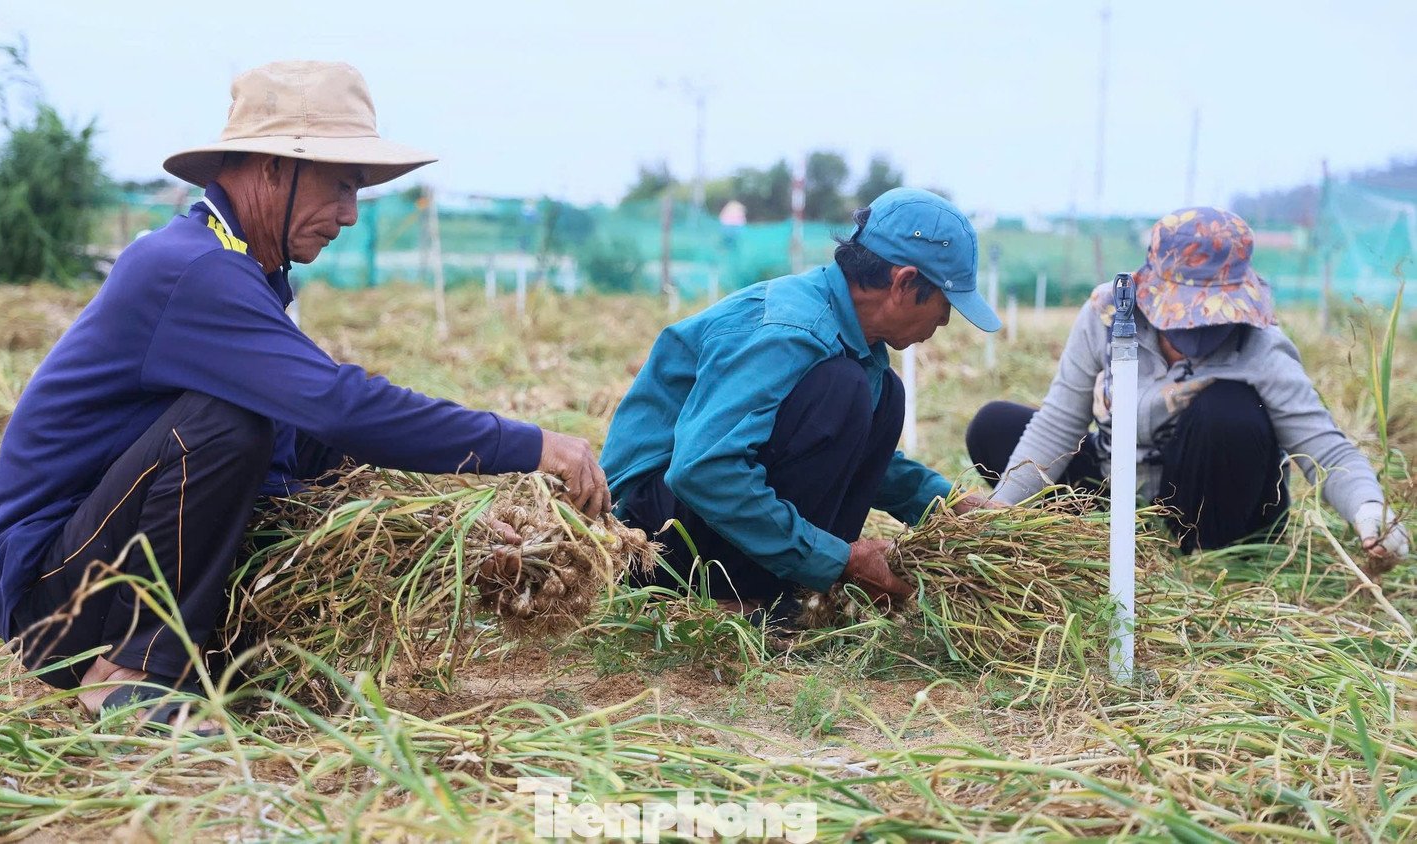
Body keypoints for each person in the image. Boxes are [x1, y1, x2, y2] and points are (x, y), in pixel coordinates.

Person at [0, 61, 608, 730]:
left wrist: (451, 519)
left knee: (268, 427)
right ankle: (127, 676)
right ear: (273, 168)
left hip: (91, 571)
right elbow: (341, 405)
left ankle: (161, 656)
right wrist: (531, 445)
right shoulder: (195, 270)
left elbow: (308, 443)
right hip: (46, 595)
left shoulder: (243, 272)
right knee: (227, 422)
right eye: (341, 186)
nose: (351, 215)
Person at [600, 188, 1001, 623]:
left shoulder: (852, 339)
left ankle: (779, 590)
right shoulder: (790, 331)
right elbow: (702, 469)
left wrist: (949, 505)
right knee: (844, 390)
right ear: (904, 283)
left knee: (883, 397)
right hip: (649, 536)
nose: (944, 321)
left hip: (696, 513)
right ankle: (728, 597)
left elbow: (843, 449)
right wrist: (843, 560)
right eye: (945, 305)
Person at [967, 207, 1409, 567]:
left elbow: (1325, 449)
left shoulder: (1261, 346)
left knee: (1227, 409)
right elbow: (1059, 422)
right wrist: (1002, 510)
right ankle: (1101, 540)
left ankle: (1210, 560)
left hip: (1214, 505)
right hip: (1116, 485)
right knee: (994, 426)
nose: (1198, 324)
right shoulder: (1108, 315)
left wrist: (1369, 511)